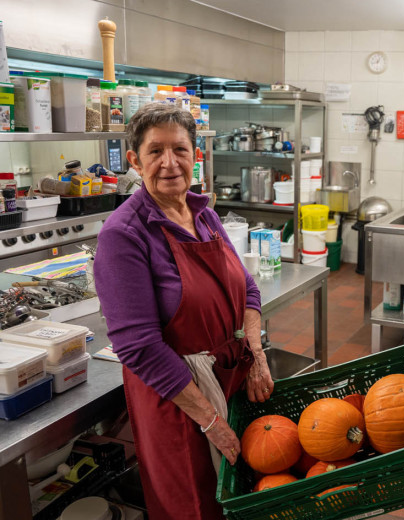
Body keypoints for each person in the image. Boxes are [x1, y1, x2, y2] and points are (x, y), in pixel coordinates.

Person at [94, 103, 274, 519]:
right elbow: (138, 347)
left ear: (196, 155)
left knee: (237, 499)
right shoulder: (124, 235)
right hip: (178, 401)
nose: (169, 163)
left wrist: (257, 354)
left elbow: (247, 288)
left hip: (228, 378)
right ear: (136, 161)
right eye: (156, 151)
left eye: (180, 149)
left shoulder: (204, 214)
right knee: (193, 505)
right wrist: (209, 420)